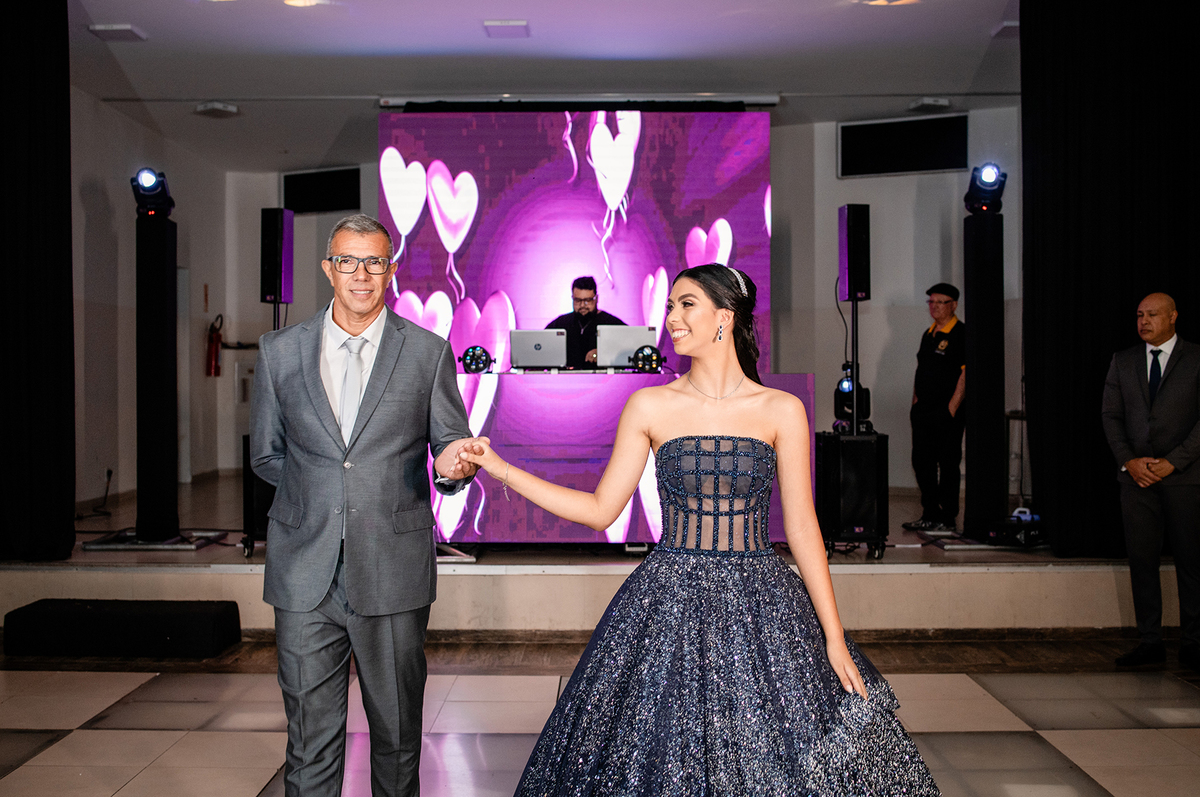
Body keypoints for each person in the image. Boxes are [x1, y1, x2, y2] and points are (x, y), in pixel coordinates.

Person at [462, 264, 939, 794]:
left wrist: (833, 636)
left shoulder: (781, 410)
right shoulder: (650, 404)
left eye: (685, 304)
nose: (671, 317)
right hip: (668, 598)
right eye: (669, 306)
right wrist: (500, 468)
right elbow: (600, 509)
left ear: (725, 318)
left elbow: (803, 528)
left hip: (762, 600)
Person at [250, 214, 479, 796]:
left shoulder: (426, 353)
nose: (361, 274)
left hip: (392, 571)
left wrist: (453, 468)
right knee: (309, 743)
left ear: (390, 270)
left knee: (398, 740)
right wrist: (326, 498)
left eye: (374, 262)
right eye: (348, 261)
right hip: (304, 571)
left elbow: (449, 445)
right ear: (328, 269)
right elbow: (267, 455)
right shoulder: (279, 351)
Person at [1101, 292, 1200, 671]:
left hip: (1185, 478)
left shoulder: (1196, 358)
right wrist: (1129, 461)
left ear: (1173, 316)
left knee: (1191, 561)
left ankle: (1193, 643)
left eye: (1152, 315)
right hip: (1136, 479)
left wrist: (1174, 462)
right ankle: (1149, 642)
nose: (1144, 321)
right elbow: (1110, 416)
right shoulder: (1123, 360)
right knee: (1142, 561)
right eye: (1140, 315)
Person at [902, 283, 967, 534]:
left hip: (946, 412)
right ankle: (929, 513)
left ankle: (947, 517)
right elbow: (921, 371)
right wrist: (915, 403)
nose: (934, 307)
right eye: (931, 302)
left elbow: (965, 374)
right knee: (922, 462)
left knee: (948, 463)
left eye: (940, 302)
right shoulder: (928, 334)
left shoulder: (960, 333)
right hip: (923, 411)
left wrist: (952, 408)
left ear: (954, 305)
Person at [545, 275, 626, 367]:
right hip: (567, 375)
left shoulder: (611, 323)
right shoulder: (561, 323)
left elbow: (629, 348)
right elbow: (543, 345)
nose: (582, 305)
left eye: (588, 300)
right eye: (578, 300)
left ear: (597, 299)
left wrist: (603, 353)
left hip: (601, 375)